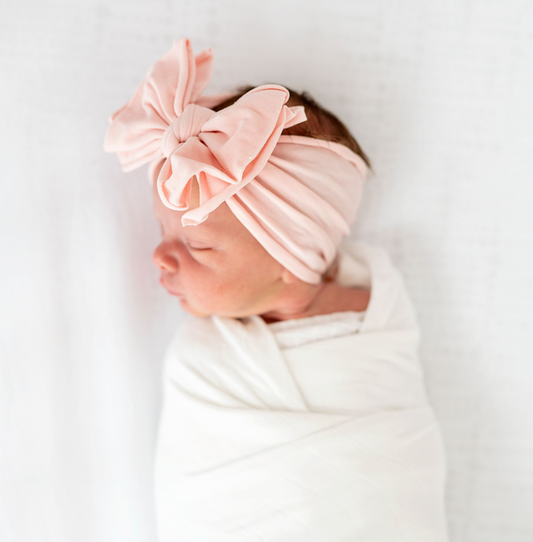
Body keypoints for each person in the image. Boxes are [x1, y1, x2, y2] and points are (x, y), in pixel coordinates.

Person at [105, 38, 448, 542]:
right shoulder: (208, 363)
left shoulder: (374, 326)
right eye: (163, 230)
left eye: (197, 245)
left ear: (290, 259)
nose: (160, 255)